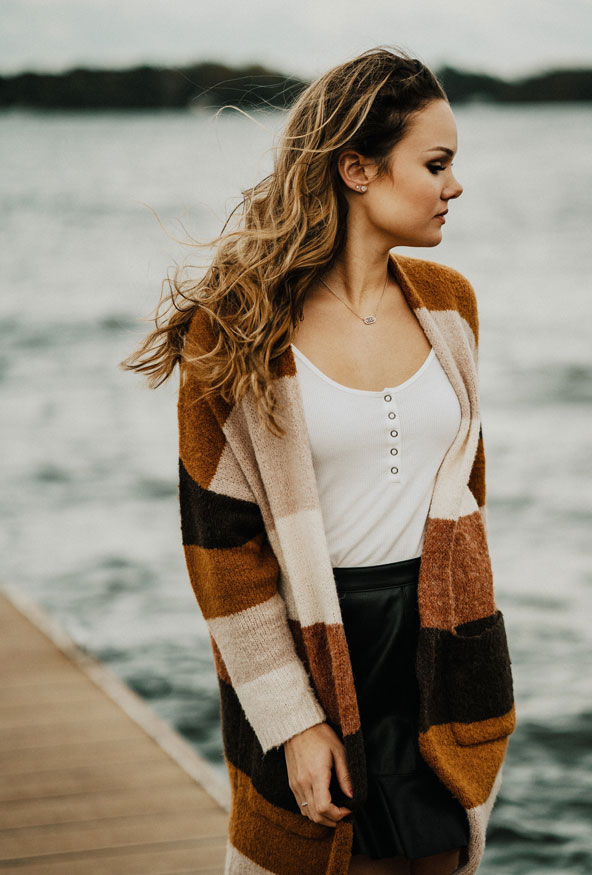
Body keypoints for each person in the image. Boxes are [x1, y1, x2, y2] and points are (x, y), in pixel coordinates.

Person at [121, 46, 516, 875]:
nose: (455, 185)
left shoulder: (452, 306)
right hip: (317, 645)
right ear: (357, 169)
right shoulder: (236, 325)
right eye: (436, 164)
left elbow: (467, 497)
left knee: (442, 856)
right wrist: (293, 719)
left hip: (438, 650)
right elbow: (220, 552)